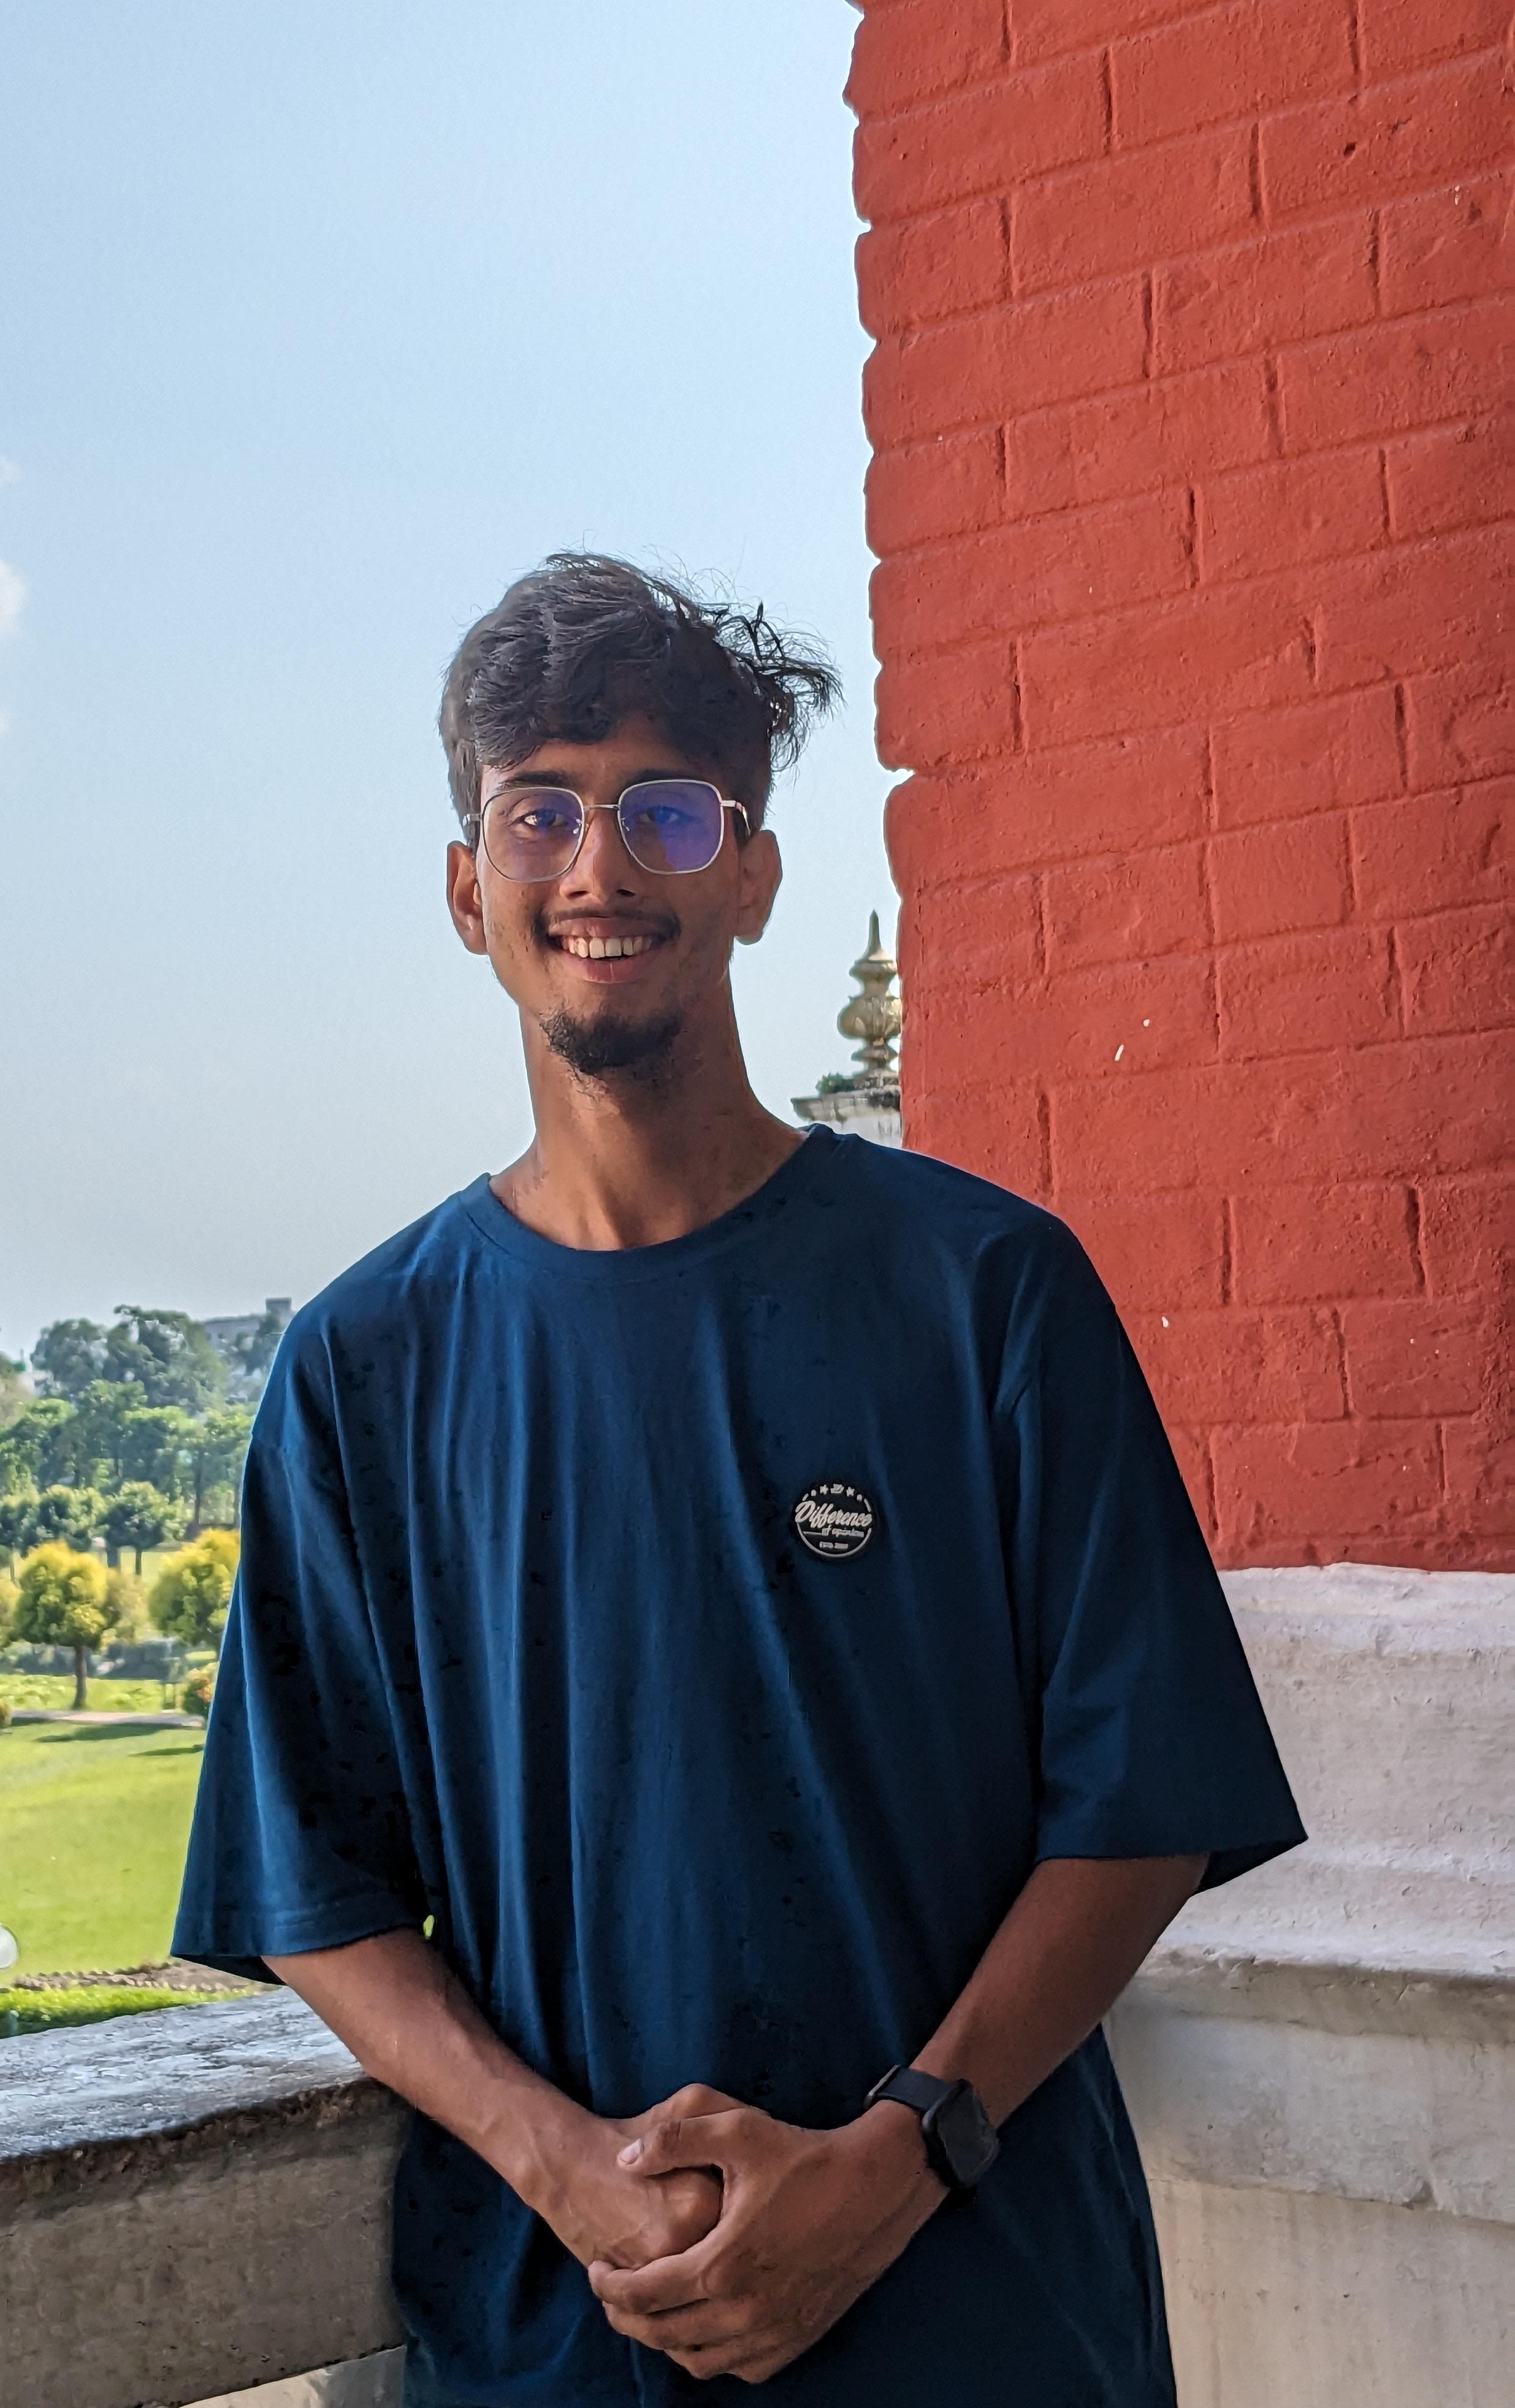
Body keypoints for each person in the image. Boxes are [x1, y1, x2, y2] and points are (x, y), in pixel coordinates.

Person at [174, 554, 1305, 2405]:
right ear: (468, 889)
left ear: (755, 873)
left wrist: (898, 2157)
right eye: (540, 811)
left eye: (666, 811)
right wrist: (565, 2167)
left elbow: (1141, 1806)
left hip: (987, 2322)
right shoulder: (365, 1363)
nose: (598, 868)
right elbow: (318, 1885)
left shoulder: (986, 1291)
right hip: (566, 2336)